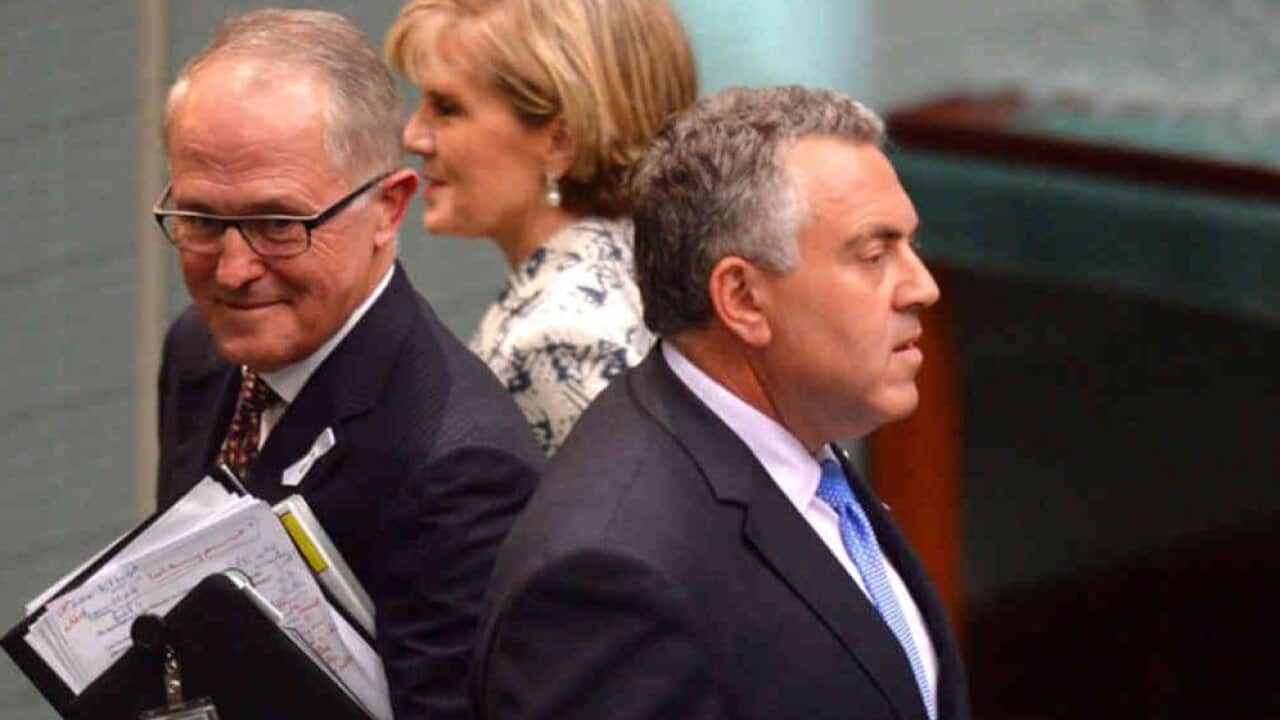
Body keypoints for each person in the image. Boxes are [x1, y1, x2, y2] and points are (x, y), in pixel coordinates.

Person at [471, 86, 970, 720]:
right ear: (742, 298)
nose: (922, 287)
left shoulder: (799, 439)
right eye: (874, 255)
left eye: (910, 246)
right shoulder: (607, 577)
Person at [152, 10, 543, 719]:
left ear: (388, 209)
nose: (234, 271)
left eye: (279, 225)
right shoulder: (200, 351)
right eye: (202, 221)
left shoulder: (460, 466)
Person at [384, 0, 698, 455]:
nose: (414, 136)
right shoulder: (638, 265)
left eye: (447, 108)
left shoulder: (563, 333)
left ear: (559, 141)